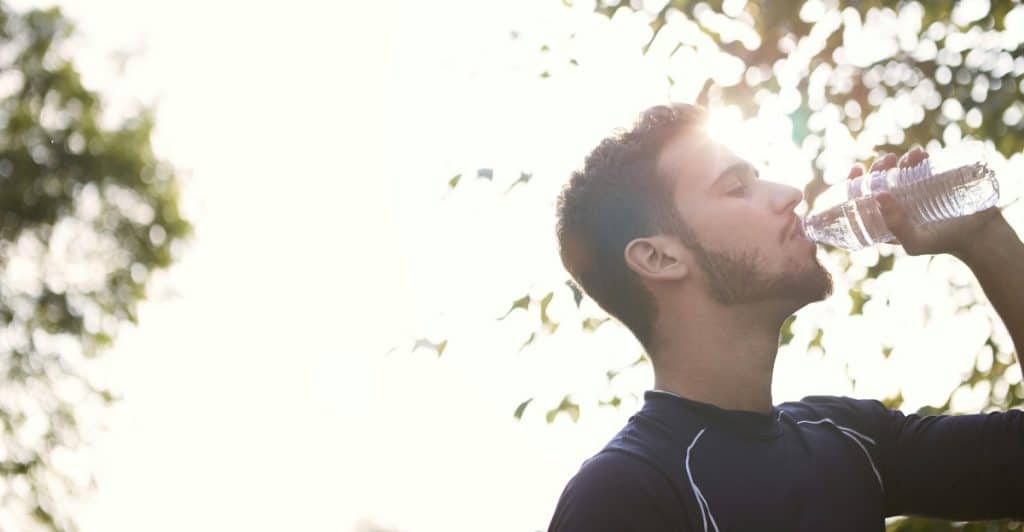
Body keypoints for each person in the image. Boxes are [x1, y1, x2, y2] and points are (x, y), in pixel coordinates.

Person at [547, 103, 1024, 531]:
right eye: (737, 188)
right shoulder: (624, 493)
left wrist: (985, 239)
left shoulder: (848, 437)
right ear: (660, 259)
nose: (791, 194)